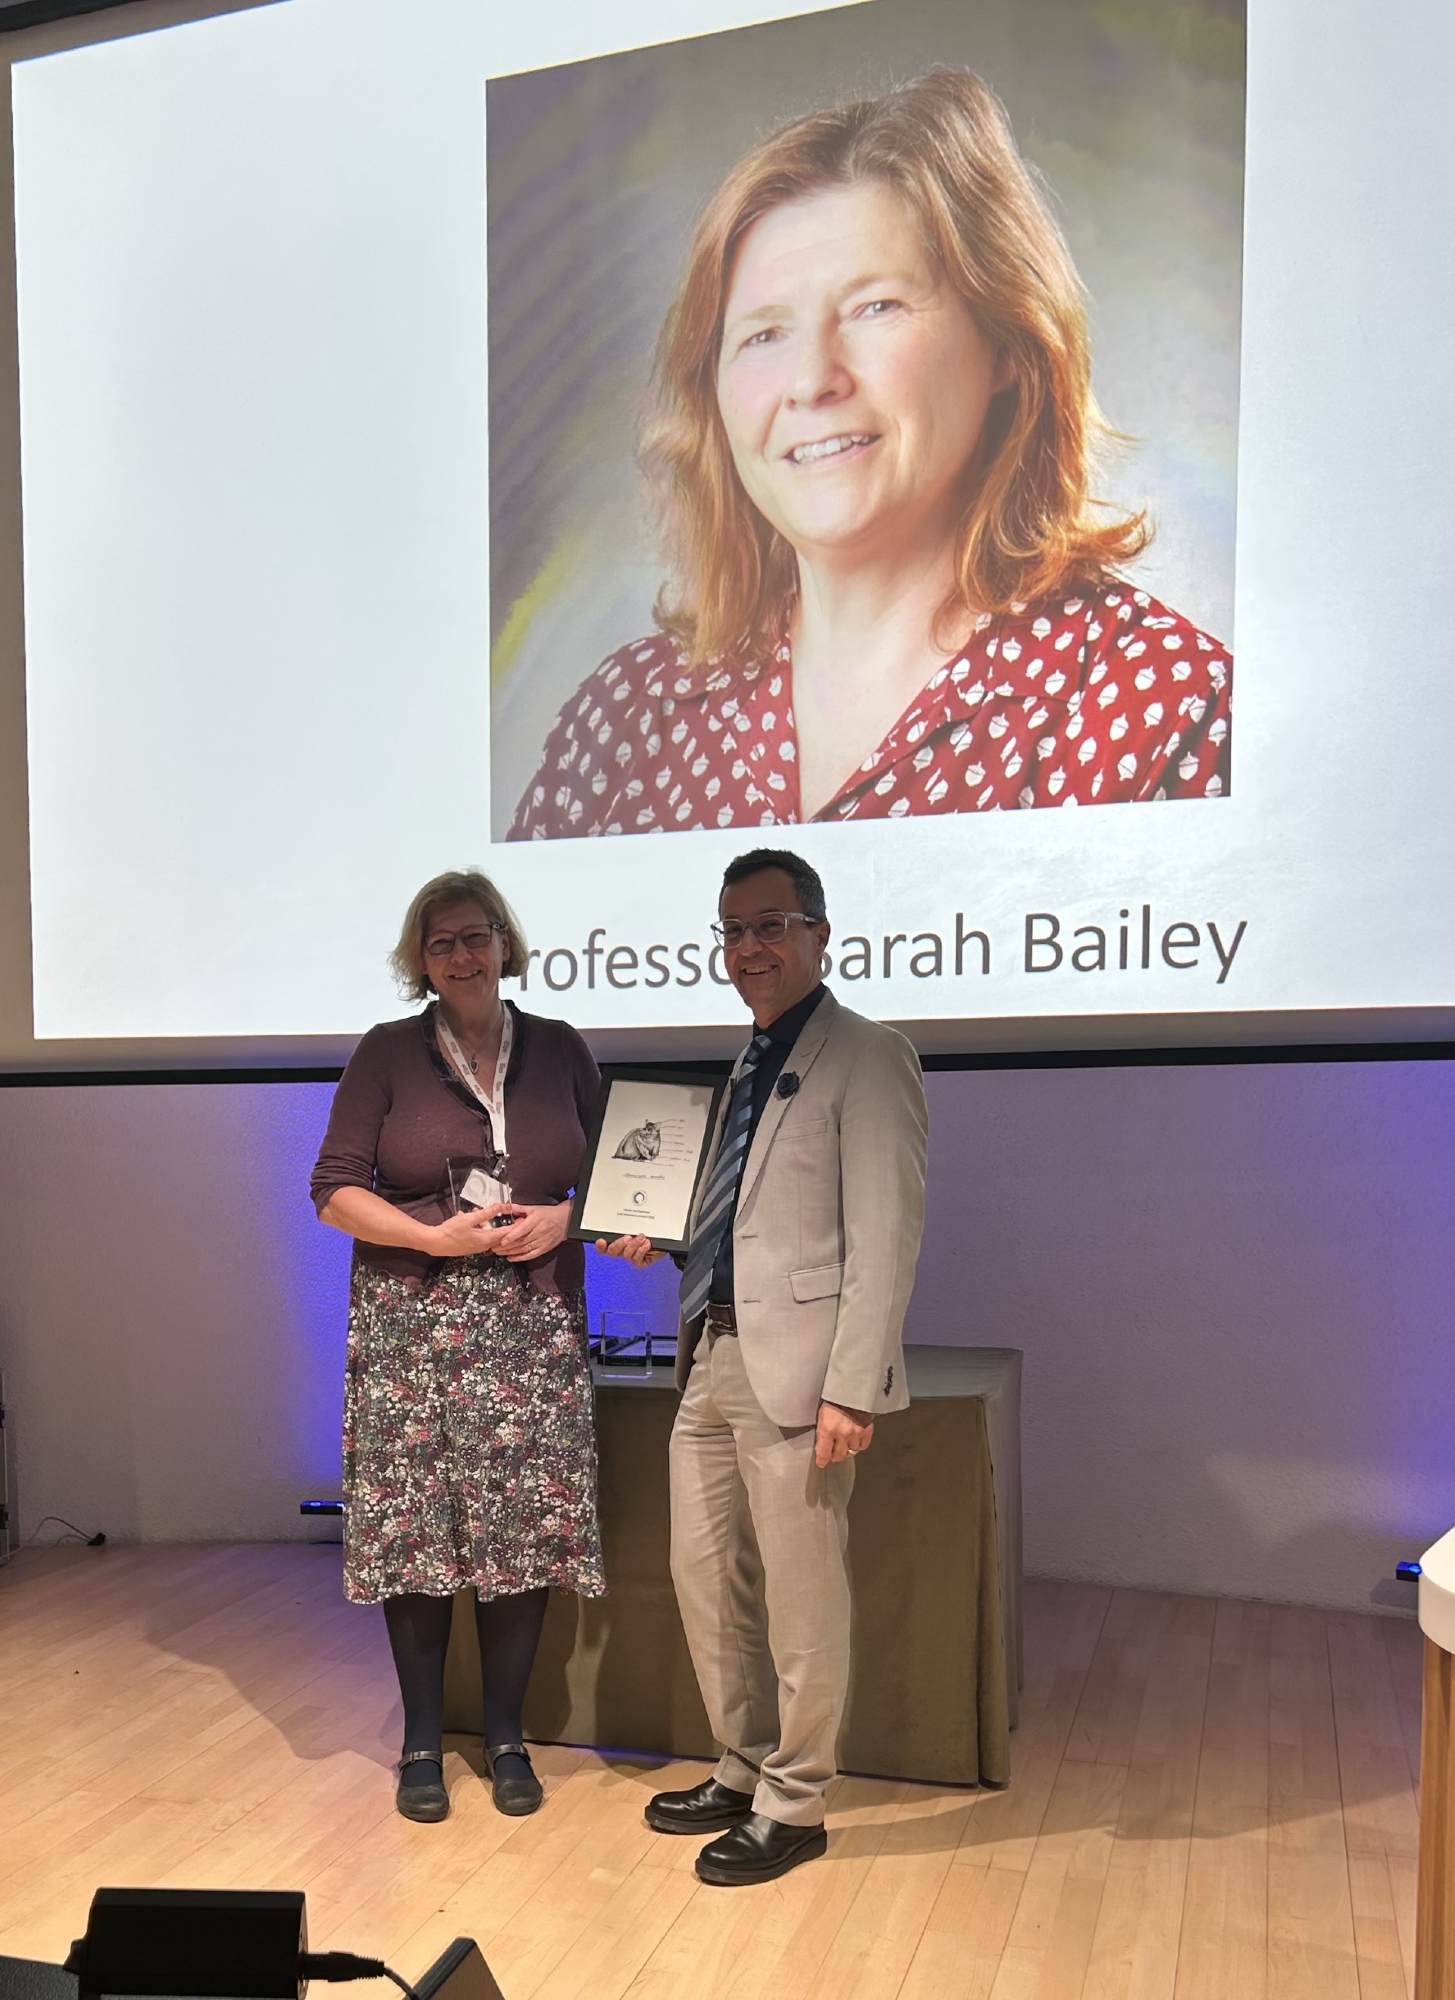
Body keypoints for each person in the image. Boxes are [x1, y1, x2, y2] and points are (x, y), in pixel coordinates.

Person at [510, 69, 1230, 841]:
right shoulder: (621, 725)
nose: (812, 380)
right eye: (763, 334)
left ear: (1005, 344)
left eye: (873, 307)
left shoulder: (1166, 706)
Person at [603, 848, 928, 1884]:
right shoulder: (745, 1062)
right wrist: (666, 1239)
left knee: (801, 1597)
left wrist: (853, 1385)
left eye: (771, 926)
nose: (750, 947)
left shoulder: (868, 1054)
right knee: (705, 1580)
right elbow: (744, 1222)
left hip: (801, 1373)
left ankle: (796, 1799)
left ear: (819, 934)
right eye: (734, 930)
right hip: (708, 1353)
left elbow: (884, 1236)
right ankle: (741, 1766)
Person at [310, 869, 604, 1823]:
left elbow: (619, 1177)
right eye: (441, 942)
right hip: (412, 1325)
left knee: (522, 1529)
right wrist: (431, 1239)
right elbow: (332, 1190)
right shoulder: (386, 1053)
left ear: (503, 943)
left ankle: (508, 1737)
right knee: (418, 1534)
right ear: (420, 960)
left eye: (476, 935)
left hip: (533, 1319)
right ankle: (423, 1742)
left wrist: (563, 1220)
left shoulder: (560, 1048)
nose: (462, 955)